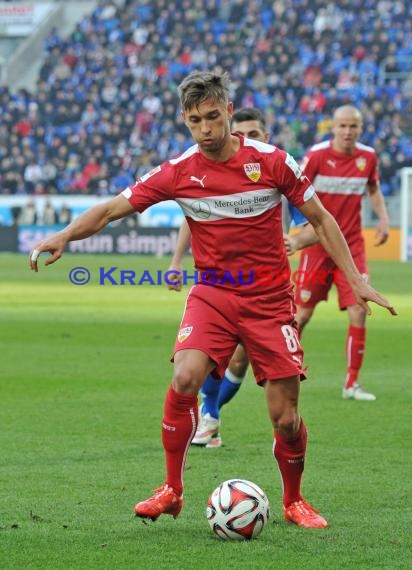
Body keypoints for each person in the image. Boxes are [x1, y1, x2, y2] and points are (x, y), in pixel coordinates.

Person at [29, 71, 396, 530]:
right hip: (213, 295)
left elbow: (320, 219)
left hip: (268, 300)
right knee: (184, 377)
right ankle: (171, 489)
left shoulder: (273, 161)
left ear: (227, 111)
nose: (205, 129)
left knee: (285, 418)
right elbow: (110, 209)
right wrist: (64, 235)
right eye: (195, 121)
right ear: (185, 120)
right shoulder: (179, 170)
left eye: (212, 117)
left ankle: (294, 500)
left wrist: (356, 280)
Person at [166, 107, 307, 449]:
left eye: (254, 134)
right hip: (221, 285)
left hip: (269, 285)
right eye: (242, 132)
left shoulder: (280, 170)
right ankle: (210, 416)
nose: (247, 139)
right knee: (213, 359)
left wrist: (295, 240)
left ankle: (211, 413)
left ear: (265, 136)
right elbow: (192, 216)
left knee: (242, 361)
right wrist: (176, 260)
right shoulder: (210, 172)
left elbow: (316, 223)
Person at [285, 105, 390, 402]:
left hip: (352, 246)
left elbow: (373, 189)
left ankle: (352, 383)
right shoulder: (317, 156)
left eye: (353, 127)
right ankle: (286, 371)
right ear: (333, 127)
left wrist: (382, 219)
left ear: (360, 128)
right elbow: (293, 192)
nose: (347, 132)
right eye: (342, 126)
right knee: (302, 313)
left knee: (359, 308)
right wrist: (300, 231)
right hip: (318, 244)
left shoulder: (367, 157)